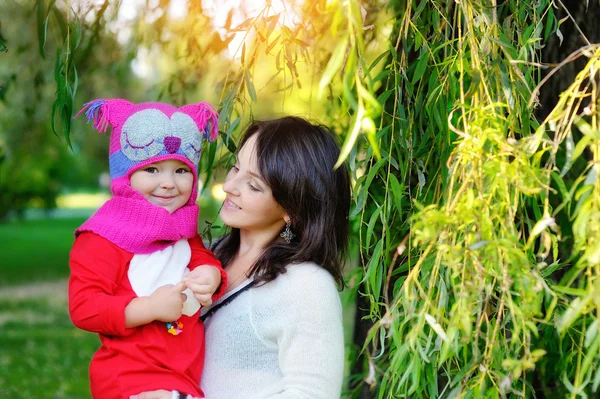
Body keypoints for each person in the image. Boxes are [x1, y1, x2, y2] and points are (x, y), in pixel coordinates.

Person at [132, 116, 351, 399]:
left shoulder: (306, 285)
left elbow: (313, 395)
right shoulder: (207, 255)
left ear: (292, 209)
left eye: (254, 186)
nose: (229, 186)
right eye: (235, 168)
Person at [69, 99, 228, 399]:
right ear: (125, 175)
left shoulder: (182, 229)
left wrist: (211, 273)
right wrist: (147, 308)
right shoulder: (102, 236)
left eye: (181, 171)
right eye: (152, 169)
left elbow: (200, 258)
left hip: (182, 377)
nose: (168, 183)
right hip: (131, 377)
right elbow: (84, 308)